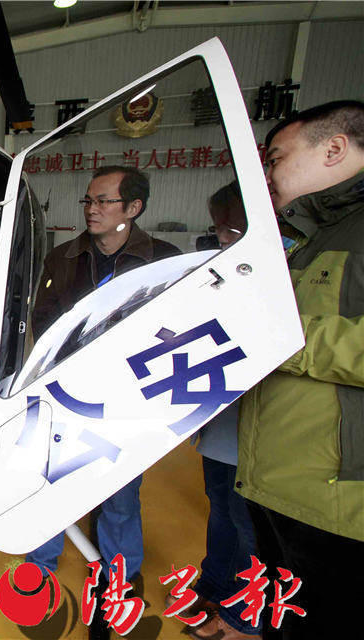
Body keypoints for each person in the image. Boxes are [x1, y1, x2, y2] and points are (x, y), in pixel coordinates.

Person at [25, 165, 180, 640]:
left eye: (103, 201)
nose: (91, 210)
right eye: (88, 201)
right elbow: (42, 322)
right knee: (51, 478)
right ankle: (40, 565)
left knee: (120, 488)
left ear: (133, 207)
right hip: (67, 390)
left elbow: (175, 330)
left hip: (130, 395)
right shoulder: (63, 258)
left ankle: (121, 574)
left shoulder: (165, 261)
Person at [236, 100, 364, 639]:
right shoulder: (306, 237)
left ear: (334, 148)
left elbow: (283, 332)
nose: (267, 174)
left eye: (276, 158)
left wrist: (281, 338)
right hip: (278, 485)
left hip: (339, 500)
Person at [184, 182, 260, 640]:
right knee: (222, 507)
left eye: (230, 230)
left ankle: (246, 617)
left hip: (258, 425)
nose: (222, 240)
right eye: (218, 231)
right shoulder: (221, 271)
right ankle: (214, 586)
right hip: (220, 420)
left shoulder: (278, 273)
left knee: (248, 522)